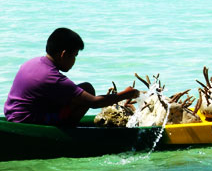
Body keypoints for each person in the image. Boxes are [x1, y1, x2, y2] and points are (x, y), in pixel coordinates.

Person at [4, 28, 140, 126]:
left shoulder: (32, 63)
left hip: (12, 116)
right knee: (88, 91)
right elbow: (94, 103)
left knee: (83, 89)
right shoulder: (52, 77)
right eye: (74, 55)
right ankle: (68, 131)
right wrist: (127, 94)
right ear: (63, 54)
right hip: (28, 121)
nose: (74, 60)